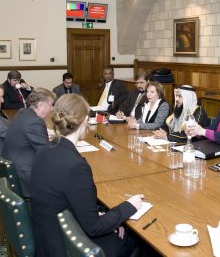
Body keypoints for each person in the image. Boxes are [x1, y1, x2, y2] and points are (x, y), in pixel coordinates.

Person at [31, 94, 143, 256]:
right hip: (65, 245)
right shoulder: (76, 165)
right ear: (84, 120)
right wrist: (130, 206)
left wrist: (103, 215)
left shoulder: (44, 150)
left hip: (47, 235)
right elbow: (94, 227)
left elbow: (63, 199)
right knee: (133, 240)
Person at [1, 88, 56, 198]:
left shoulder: (23, 112)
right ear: (40, 105)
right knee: (64, 175)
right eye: (50, 105)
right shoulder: (35, 122)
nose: (52, 109)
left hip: (13, 165)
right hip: (24, 173)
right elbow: (46, 152)